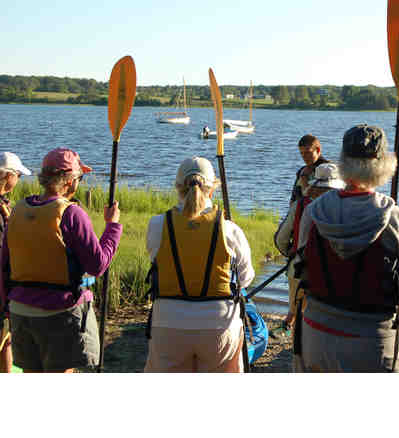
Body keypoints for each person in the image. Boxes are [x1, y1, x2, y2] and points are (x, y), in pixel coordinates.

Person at [293, 124, 399, 372]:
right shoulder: (396, 219)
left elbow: (302, 269)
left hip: (315, 334)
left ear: (343, 162)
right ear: (384, 165)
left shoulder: (313, 212)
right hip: (372, 342)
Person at [0, 148, 121, 373]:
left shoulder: (16, 210)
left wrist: (7, 306)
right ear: (69, 181)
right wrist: (112, 227)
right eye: (79, 177)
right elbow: (98, 265)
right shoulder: (72, 214)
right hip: (59, 312)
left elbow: (4, 266)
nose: (79, 183)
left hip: (21, 312)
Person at [144, 156, 254, 372]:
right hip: (220, 324)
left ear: (178, 188)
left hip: (167, 322)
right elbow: (245, 277)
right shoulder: (230, 228)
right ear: (212, 189)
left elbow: (155, 260)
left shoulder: (157, 225)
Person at [274, 163, 345, 329]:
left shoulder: (300, 206)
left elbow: (281, 238)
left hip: (300, 269)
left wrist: (290, 253)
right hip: (334, 273)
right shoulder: (345, 208)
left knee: (300, 316)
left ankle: (299, 348)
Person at [0, 152, 32, 373]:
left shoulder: (5, 205)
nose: (19, 179)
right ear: (7, 175)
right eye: (18, 175)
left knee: (7, 337)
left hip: (7, 284)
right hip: (2, 284)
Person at [290, 134, 330, 204]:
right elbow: (293, 199)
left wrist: (304, 179)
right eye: (301, 153)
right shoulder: (302, 171)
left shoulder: (329, 170)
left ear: (318, 150)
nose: (304, 157)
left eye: (307, 152)